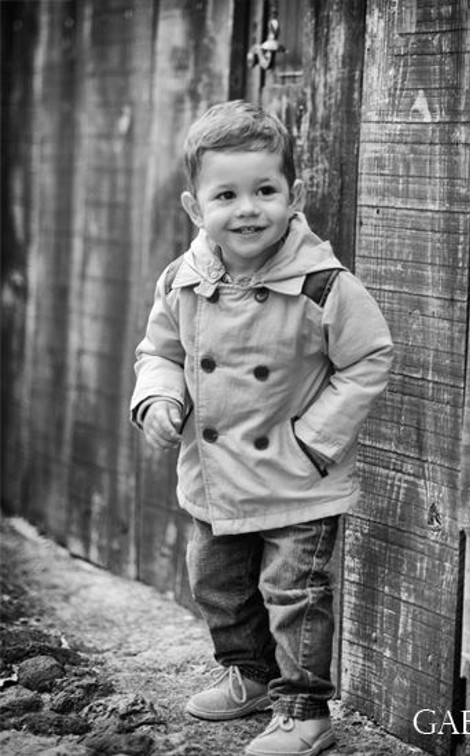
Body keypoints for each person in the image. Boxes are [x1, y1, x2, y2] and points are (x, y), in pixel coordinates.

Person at [130, 100, 393, 756]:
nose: (248, 208)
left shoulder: (323, 286)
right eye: (227, 194)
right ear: (196, 208)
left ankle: (305, 714)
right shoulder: (181, 281)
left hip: (294, 477)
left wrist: (315, 438)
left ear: (293, 196)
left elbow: (368, 359)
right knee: (218, 582)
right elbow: (158, 352)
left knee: (294, 594)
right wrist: (160, 398)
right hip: (215, 477)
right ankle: (248, 677)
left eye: (265, 191)